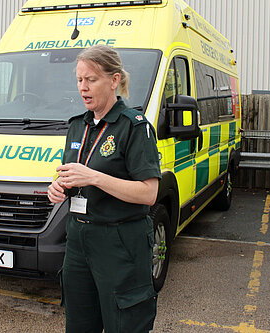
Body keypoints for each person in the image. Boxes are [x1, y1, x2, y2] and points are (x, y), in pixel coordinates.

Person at [47, 44, 161, 332]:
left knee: (124, 323)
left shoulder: (134, 127)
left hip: (120, 242)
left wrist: (95, 177)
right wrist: (58, 187)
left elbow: (148, 193)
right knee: (79, 322)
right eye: (79, 80)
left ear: (114, 81)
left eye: (91, 80)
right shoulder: (77, 126)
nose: (83, 88)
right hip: (79, 240)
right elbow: (73, 175)